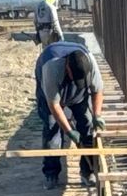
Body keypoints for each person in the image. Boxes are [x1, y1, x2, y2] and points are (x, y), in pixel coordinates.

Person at [35, 31, 103, 186]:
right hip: (52, 93)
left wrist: (97, 115)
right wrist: (69, 131)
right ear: (67, 67)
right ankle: (51, 173)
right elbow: (54, 105)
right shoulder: (51, 68)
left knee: (87, 127)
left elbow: (97, 90)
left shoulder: (90, 63)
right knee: (53, 130)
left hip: (79, 95)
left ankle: (88, 171)